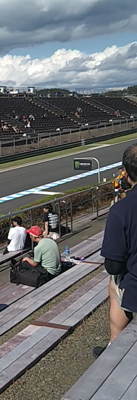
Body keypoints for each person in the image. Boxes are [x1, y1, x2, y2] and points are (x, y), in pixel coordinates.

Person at [93, 145, 137, 358]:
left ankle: (114, 346)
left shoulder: (121, 210)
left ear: (126, 174)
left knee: (114, 283)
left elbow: (113, 265)